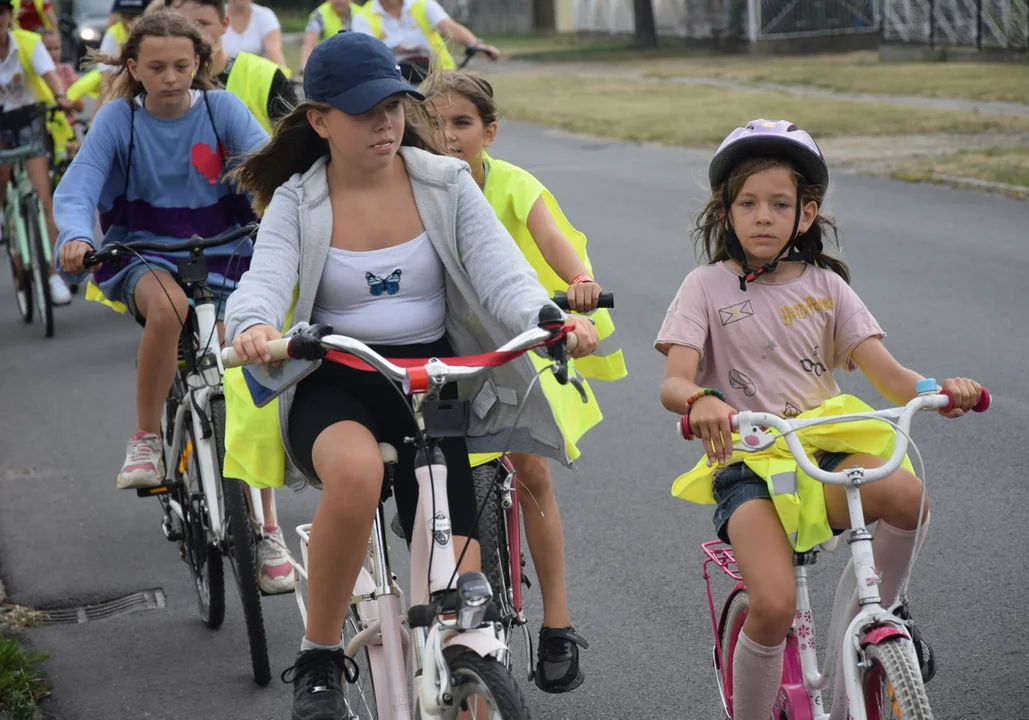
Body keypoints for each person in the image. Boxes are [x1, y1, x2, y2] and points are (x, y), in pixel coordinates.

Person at [224, 32, 598, 720]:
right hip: (336, 382)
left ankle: (460, 677)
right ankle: (318, 657)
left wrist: (547, 320)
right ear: (320, 121)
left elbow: (503, 274)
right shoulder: (298, 200)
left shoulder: (445, 183)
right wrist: (251, 328)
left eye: (394, 106)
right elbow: (263, 281)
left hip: (432, 385)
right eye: (365, 112)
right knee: (359, 475)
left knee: (454, 598)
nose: (386, 124)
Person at [655, 119, 984, 719]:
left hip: (824, 448)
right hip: (751, 461)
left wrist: (943, 389)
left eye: (780, 204)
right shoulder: (704, 286)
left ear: (806, 215)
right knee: (774, 606)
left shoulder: (826, 287)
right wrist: (700, 400)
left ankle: (879, 613)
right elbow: (675, 380)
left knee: (907, 493)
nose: (762, 216)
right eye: (747, 203)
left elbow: (891, 377)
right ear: (726, 212)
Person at [420, 68, 625, 693]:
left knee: (531, 469)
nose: (450, 137)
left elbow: (556, 243)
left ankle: (558, 622)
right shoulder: (416, 185)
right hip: (444, 346)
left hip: (517, 337)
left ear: (490, 132)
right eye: (437, 124)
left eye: (463, 124)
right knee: (425, 476)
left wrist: (579, 284)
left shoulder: (512, 184)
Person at [53, 12, 268, 493]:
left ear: (199, 63)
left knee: (240, 357)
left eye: (181, 66)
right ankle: (146, 438)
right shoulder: (118, 119)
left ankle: (266, 529)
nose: (170, 78)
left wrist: (284, 212)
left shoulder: (223, 109)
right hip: (143, 251)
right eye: (156, 68)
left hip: (225, 250)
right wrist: (75, 235)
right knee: (169, 310)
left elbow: (268, 170)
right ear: (132, 68)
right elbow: (80, 185)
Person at [164, 0, 297, 593]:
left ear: (224, 27)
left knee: (242, 380)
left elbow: (297, 153)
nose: (193, 33)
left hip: (246, 244)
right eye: (179, 17)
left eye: (202, 22)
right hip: (166, 252)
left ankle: (265, 526)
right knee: (177, 353)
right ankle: (164, 443)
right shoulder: (151, 91)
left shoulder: (259, 79)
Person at [0, 2, 74, 304]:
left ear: (9, 16)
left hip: (29, 117)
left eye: (2, 11)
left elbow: (49, 73)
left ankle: (54, 275)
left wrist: (60, 96)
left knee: (44, 198)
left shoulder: (29, 42)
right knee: (2, 181)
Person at [167, 0, 296, 133]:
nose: (191, 34)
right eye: (181, 25)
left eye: (201, 24)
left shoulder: (266, 76)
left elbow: (296, 142)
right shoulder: (163, 83)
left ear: (224, 24)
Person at [352, 0, 499, 84]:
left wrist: (478, 45)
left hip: (438, 76)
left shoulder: (422, 4)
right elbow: (368, 52)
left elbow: (450, 28)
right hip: (396, 81)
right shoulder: (363, 16)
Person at [221, 0, 287, 71]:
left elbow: (275, 56)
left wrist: (285, 78)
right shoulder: (216, 16)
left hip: (257, 77)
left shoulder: (265, 15)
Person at [299, 0, 362, 69]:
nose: (341, 1)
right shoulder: (319, 14)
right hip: (327, 66)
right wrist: (306, 69)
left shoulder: (361, 13)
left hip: (356, 64)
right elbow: (309, 45)